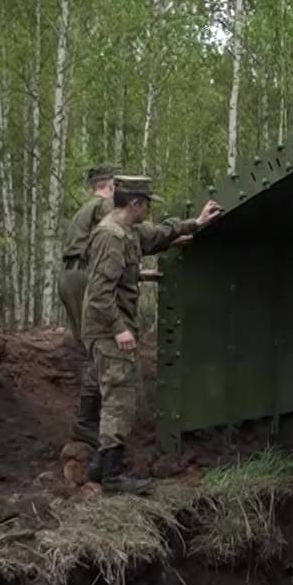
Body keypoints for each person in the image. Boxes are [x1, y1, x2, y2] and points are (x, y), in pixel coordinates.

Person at [57, 163, 220, 447]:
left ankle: (88, 423)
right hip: (87, 275)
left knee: (94, 348)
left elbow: (138, 240)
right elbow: (137, 234)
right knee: (103, 347)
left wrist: (183, 229)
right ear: (112, 186)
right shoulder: (107, 210)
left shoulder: (86, 211)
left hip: (72, 274)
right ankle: (89, 425)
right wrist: (182, 227)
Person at [80, 175, 178, 495]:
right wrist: (119, 329)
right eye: (147, 203)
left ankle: (99, 467)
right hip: (108, 330)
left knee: (118, 394)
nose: (149, 209)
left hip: (109, 328)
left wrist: (195, 222)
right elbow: (98, 294)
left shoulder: (127, 232)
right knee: (119, 399)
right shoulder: (111, 236)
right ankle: (112, 476)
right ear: (135, 203)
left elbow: (158, 234)